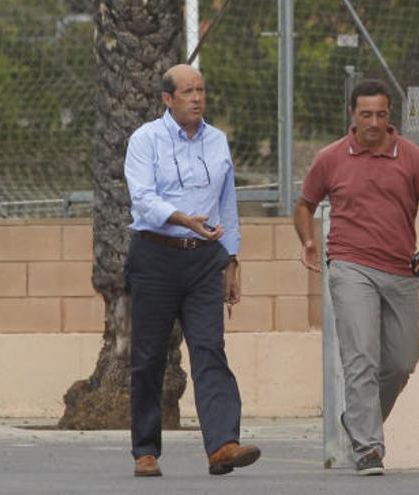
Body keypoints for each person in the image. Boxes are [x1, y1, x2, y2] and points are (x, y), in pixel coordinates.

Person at [293, 79, 419, 475]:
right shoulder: (331, 158)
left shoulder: (411, 157)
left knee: (401, 361)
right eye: (366, 114)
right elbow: (304, 204)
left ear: (390, 116)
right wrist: (308, 242)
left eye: (381, 114)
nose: (374, 122)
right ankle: (368, 447)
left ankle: (359, 419)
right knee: (360, 357)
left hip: (401, 270)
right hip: (350, 267)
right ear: (353, 115)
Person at [123, 64, 260, 477]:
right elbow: (143, 199)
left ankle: (222, 445)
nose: (197, 98)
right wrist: (183, 218)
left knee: (209, 350)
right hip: (155, 257)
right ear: (168, 98)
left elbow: (227, 204)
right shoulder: (145, 139)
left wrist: (231, 259)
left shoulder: (217, 141)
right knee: (148, 357)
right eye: (187, 91)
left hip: (204, 260)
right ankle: (145, 450)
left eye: (201, 90)